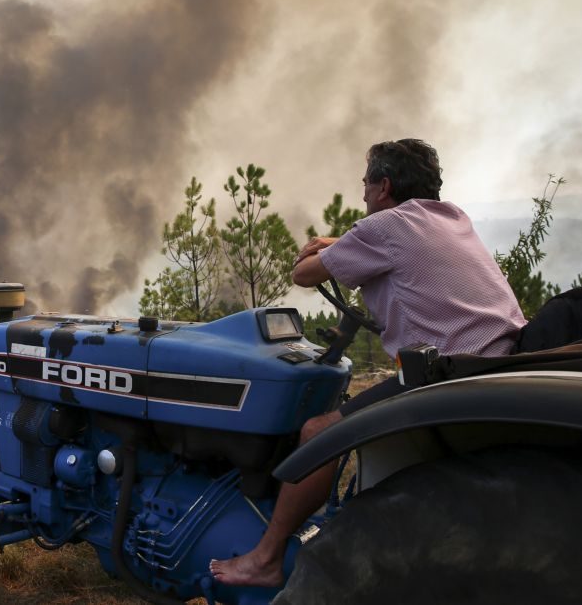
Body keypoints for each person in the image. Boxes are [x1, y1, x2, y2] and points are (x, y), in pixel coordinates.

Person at [209, 138, 527, 587]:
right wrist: (338, 241)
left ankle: (264, 558)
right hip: (502, 360)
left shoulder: (386, 228)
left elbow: (304, 275)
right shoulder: (452, 218)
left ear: (384, 185)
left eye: (365, 184)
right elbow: (394, 244)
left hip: (447, 374)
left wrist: (321, 251)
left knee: (318, 432)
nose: (361, 193)